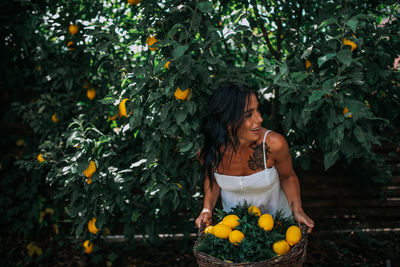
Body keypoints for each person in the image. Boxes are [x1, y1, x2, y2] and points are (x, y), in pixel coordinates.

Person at [195, 82, 314, 233]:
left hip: (279, 230)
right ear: (227, 120)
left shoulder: (274, 144)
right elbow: (212, 179)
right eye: (248, 115)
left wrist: (297, 210)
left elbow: (288, 177)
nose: (259, 119)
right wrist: (207, 209)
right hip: (235, 233)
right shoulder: (209, 150)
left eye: (258, 110)